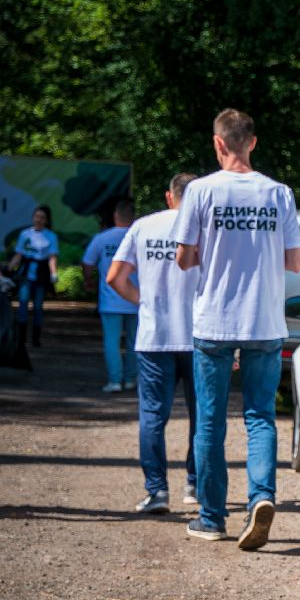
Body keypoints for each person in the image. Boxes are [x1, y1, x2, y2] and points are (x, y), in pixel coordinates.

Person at [173, 109, 300, 549]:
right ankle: (261, 498)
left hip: (215, 320)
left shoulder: (201, 191)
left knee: (209, 422)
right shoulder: (279, 193)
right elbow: (296, 262)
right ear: (253, 141)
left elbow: (184, 258)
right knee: (260, 417)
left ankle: (211, 518)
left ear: (218, 143)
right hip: (264, 320)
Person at [109, 173, 202, 513]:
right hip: (198, 337)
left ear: (169, 196)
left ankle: (157, 492)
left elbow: (114, 277)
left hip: (153, 336)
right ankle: (194, 485)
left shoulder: (143, 227)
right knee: (202, 416)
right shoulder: (207, 228)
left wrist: (143, 301)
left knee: (152, 416)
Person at [84, 199, 141, 392]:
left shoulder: (102, 238)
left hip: (110, 300)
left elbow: (88, 263)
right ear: (133, 217)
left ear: (115, 216)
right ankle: (131, 379)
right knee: (135, 342)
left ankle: (115, 381)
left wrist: (89, 281)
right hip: (136, 300)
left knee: (112, 342)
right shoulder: (139, 237)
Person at [8, 205, 58, 347]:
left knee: (38, 306)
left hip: (41, 273)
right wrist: (9, 269)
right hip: (26, 272)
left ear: (47, 220)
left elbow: (52, 257)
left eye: (42, 218)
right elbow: (18, 254)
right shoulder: (25, 234)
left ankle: (36, 338)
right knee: (23, 303)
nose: (38, 220)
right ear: (32, 218)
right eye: (36, 217)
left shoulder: (51, 236)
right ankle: (22, 337)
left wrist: (54, 273)